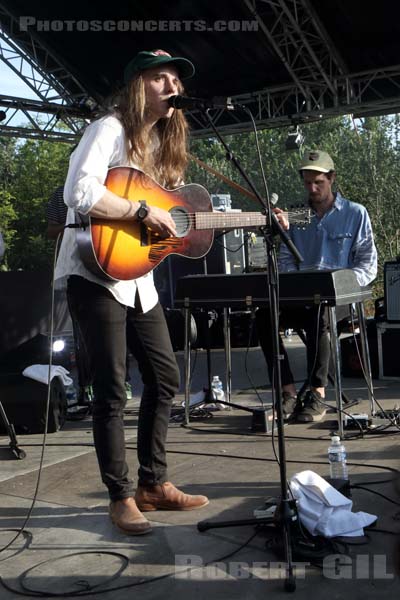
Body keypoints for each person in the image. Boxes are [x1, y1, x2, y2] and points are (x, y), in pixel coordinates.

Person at [54, 49, 209, 536]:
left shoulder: (160, 147)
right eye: (159, 77)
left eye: (175, 80)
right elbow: (77, 192)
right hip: (95, 270)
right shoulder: (108, 129)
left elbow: (172, 215)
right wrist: (142, 213)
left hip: (137, 278)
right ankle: (119, 496)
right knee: (112, 391)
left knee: (165, 378)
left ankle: (153, 483)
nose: (171, 86)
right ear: (136, 86)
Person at [256, 149, 378, 423]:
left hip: (340, 298)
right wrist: (295, 286)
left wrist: (340, 285)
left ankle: (317, 393)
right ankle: (287, 393)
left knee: (320, 311)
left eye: (318, 183)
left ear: (332, 178)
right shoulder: (298, 216)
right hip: (303, 296)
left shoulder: (355, 213)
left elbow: (368, 265)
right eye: (307, 183)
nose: (312, 188)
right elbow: (286, 260)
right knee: (264, 314)